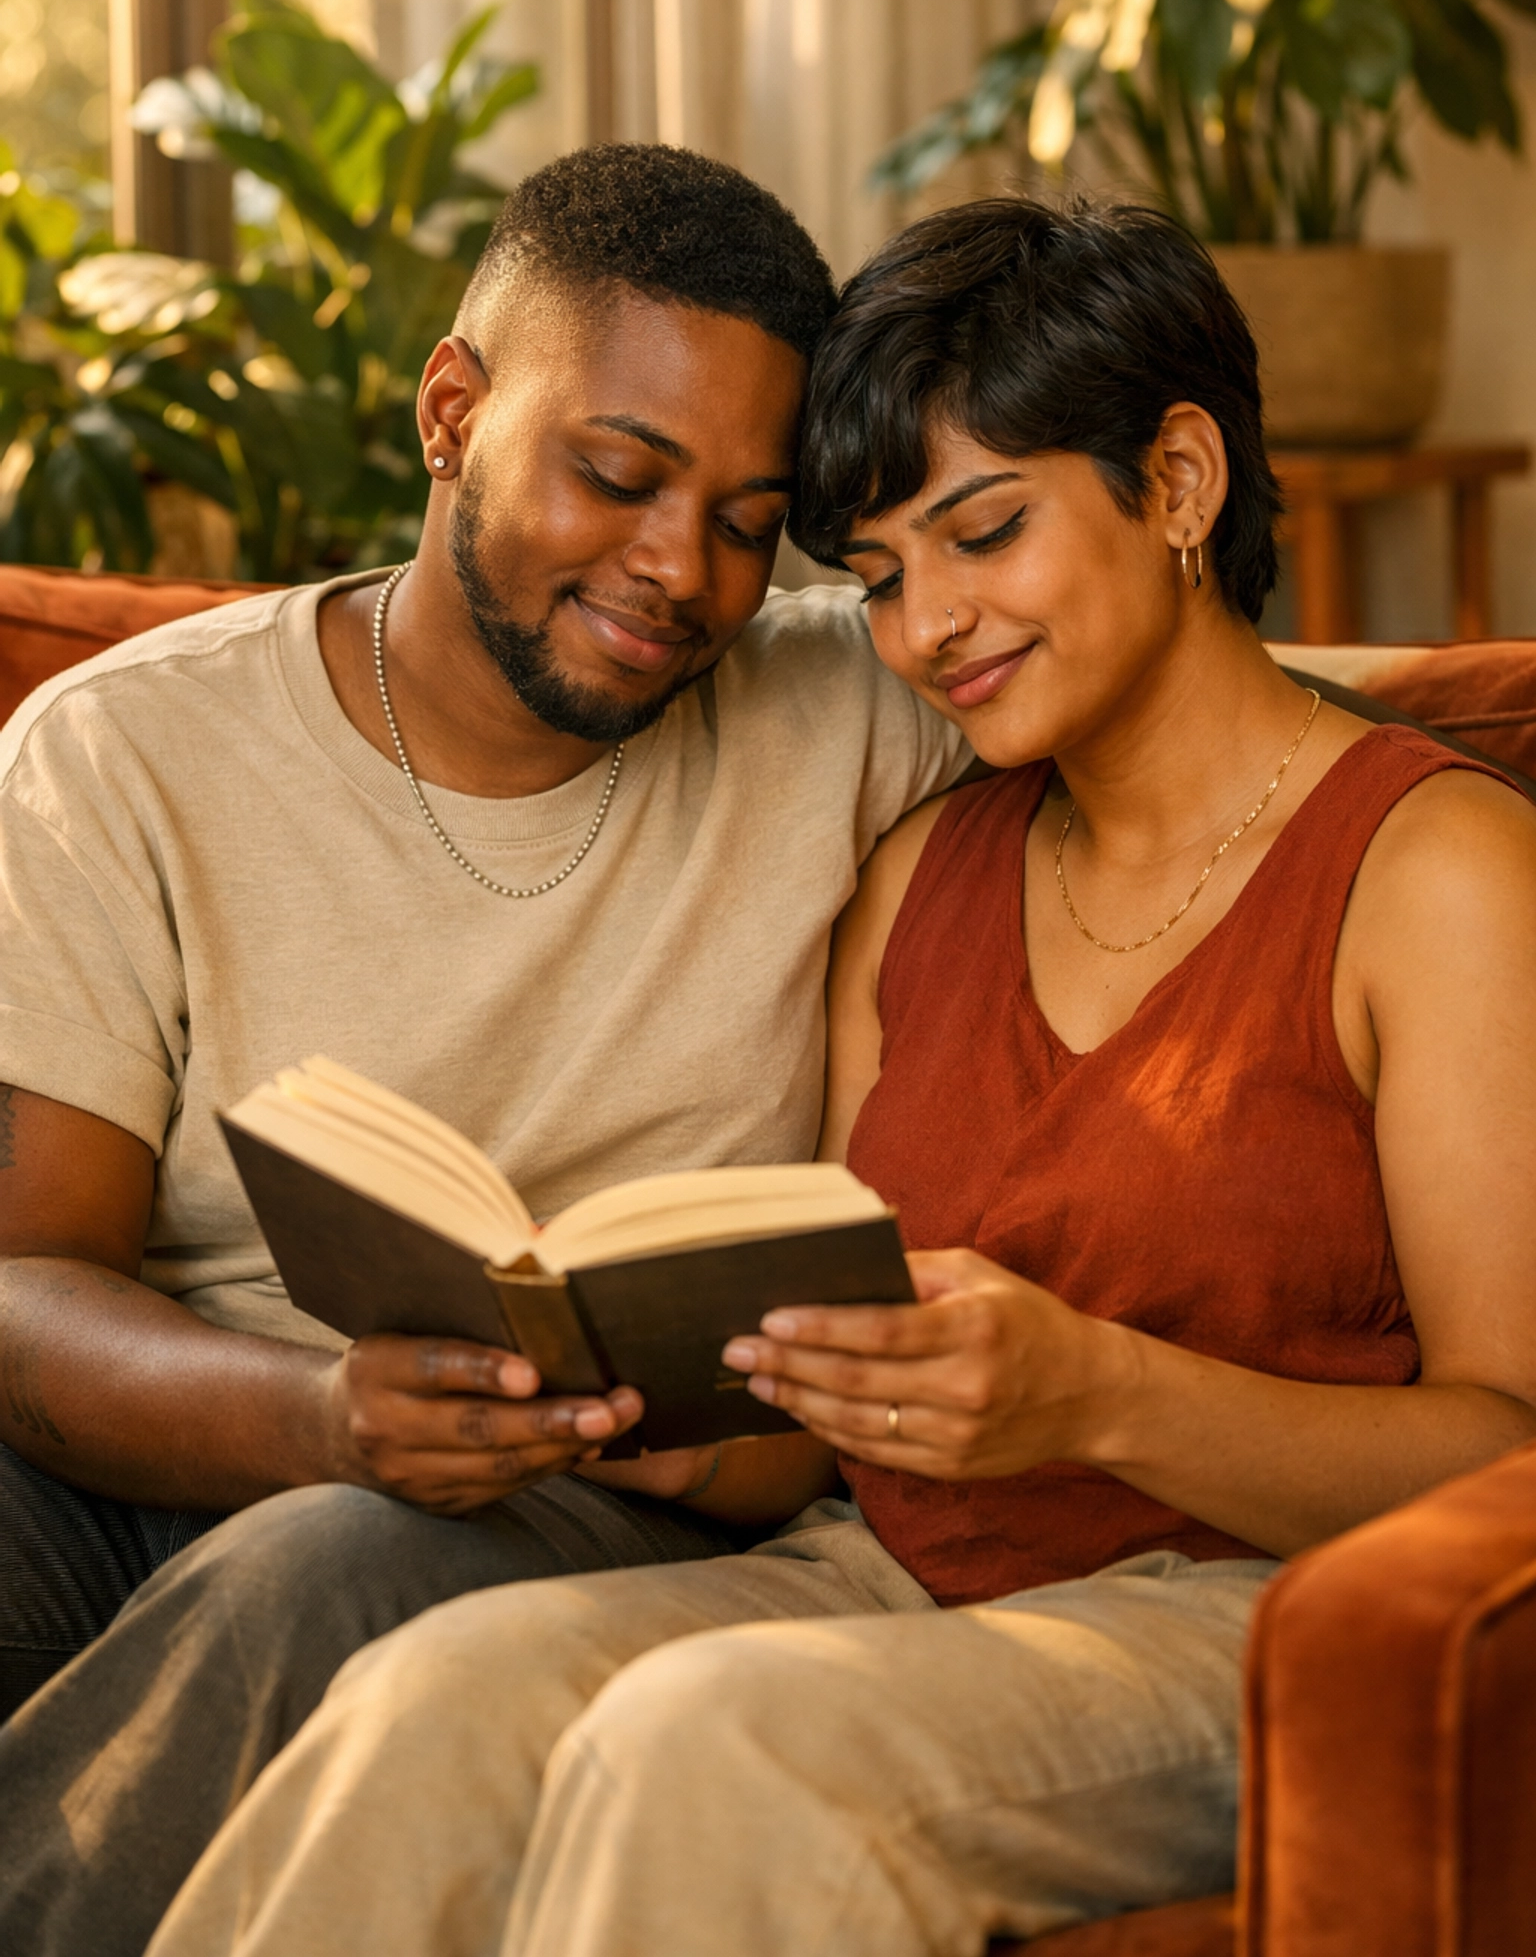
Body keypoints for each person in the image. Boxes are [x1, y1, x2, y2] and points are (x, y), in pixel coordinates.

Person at [144, 196, 1536, 1957]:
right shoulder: (918, 874)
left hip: (1258, 1613)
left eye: (985, 533)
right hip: (889, 1573)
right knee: (440, 1697)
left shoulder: (1438, 875)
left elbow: (1512, 1450)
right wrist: (626, 1408)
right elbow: (809, 1443)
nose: (929, 627)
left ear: (1179, 483)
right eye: (878, 579)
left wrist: (1097, 1397)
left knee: (705, 1742)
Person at [0, 145, 971, 1956]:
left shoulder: (851, 701)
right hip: (192, 1440)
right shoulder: (122, 759)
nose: (681, 572)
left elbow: (1195, 706)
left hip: (597, 1505)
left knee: (334, 1565)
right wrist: (315, 1414)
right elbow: (22, 1275)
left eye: (752, 520)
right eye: (618, 475)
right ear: (455, 410)